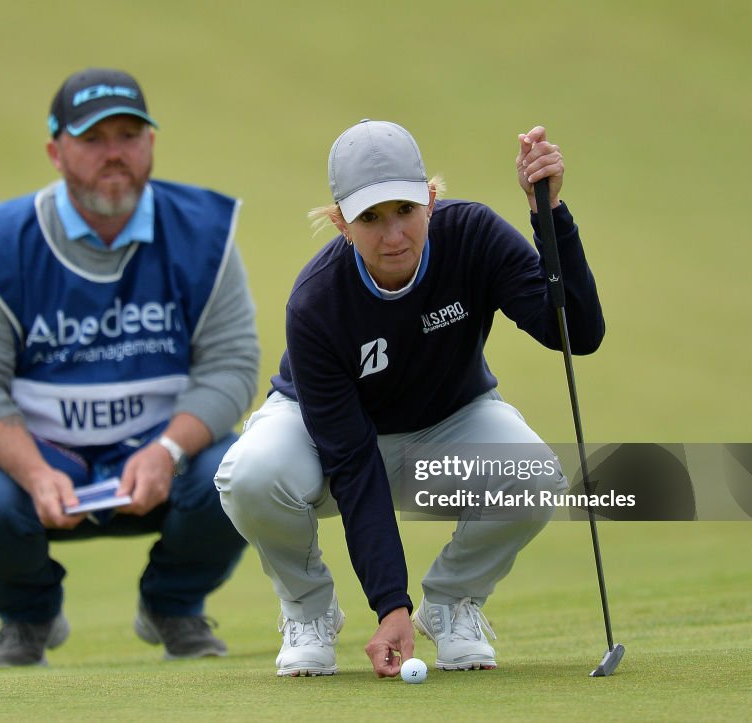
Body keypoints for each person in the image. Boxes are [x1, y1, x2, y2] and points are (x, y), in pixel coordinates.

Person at [216, 120, 604, 678]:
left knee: (535, 474)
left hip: (446, 424)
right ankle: (309, 612)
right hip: (321, 439)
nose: (392, 235)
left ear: (430, 200)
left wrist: (550, 216)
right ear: (340, 224)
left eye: (403, 210)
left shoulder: (474, 236)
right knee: (251, 474)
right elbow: (352, 462)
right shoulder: (316, 303)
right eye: (369, 218)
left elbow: (577, 334)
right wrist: (389, 604)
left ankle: (451, 604)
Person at [0, 68, 259, 668]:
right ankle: (27, 617)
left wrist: (166, 451)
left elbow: (232, 365)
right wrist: (35, 472)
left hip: (165, 453)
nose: (114, 153)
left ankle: (174, 605)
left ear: (151, 145)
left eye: (129, 134)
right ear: (56, 152)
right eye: (93, 139)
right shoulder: (0, 244)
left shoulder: (204, 233)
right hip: (46, 458)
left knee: (244, 473)